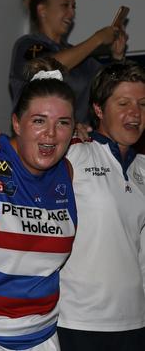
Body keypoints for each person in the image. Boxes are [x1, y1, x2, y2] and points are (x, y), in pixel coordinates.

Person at [0, 69, 77, 350]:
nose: (51, 133)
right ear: (16, 123)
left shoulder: (67, 172)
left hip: (43, 336)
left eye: (63, 123)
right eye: (39, 121)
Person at [57, 62, 145, 350]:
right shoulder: (72, 155)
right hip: (78, 321)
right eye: (123, 103)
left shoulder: (144, 167)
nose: (135, 113)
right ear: (98, 109)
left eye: (142, 104)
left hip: (134, 321)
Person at [10, 0, 127, 125]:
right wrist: (97, 39)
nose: (71, 13)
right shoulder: (27, 45)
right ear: (42, 10)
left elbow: (109, 86)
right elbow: (47, 66)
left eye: (73, 7)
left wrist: (117, 56)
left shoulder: (81, 56)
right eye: (65, 5)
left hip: (79, 142)